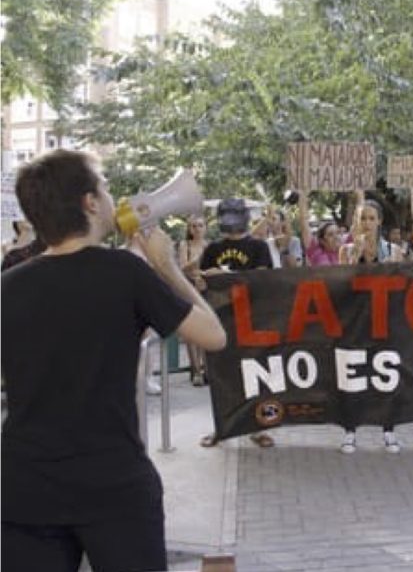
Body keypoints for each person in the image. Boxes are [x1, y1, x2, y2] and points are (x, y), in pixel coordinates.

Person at [1, 149, 226, 572]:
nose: (110, 198)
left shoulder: (7, 287)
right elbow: (213, 336)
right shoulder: (126, 272)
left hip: (23, 487)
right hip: (113, 484)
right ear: (89, 203)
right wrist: (166, 266)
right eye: (103, 188)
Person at [199, 197, 277, 449]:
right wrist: (209, 277)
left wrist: (228, 277)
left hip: (253, 319)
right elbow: (203, 283)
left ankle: (259, 427)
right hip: (223, 320)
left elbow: (265, 281)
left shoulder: (259, 247)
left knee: (258, 375)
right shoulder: (212, 249)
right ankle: (222, 428)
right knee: (223, 376)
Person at [339, 191, 405, 454]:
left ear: (379, 222)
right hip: (355, 323)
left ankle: (388, 431)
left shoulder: (394, 251)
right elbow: (341, 285)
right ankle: (350, 431)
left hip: (384, 323)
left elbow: (397, 286)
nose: (366, 223)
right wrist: (355, 257)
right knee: (353, 378)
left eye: (371, 218)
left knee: (385, 378)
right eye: (362, 218)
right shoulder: (346, 251)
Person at [177, 214, 210, 386]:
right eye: (194, 226)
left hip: (205, 287)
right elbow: (182, 268)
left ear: (206, 227)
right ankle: (195, 369)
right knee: (191, 330)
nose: (197, 229)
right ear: (189, 229)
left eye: (200, 225)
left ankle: (206, 368)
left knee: (205, 328)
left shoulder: (210, 246)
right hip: (189, 288)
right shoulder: (185, 245)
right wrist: (196, 260)